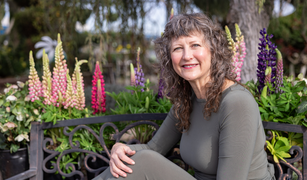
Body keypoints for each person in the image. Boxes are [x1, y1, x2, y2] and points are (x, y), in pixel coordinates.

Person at [94, 13, 275, 180]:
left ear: (214, 51)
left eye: (195, 45)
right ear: (170, 59)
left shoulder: (236, 102)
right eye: (178, 48)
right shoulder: (186, 101)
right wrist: (121, 149)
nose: (187, 56)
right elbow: (153, 147)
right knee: (126, 163)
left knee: (142, 162)